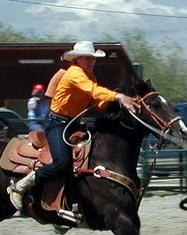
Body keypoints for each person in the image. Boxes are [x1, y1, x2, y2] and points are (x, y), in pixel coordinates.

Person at [8, 41, 139, 218]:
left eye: (93, 58)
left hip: (73, 123)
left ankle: (72, 203)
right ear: (77, 59)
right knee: (61, 163)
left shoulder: (89, 77)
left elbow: (98, 101)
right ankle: (21, 186)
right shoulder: (75, 73)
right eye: (87, 58)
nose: (91, 61)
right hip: (57, 123)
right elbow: (93, 91)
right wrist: (118, 96)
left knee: (89, 159)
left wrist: (115, 101)